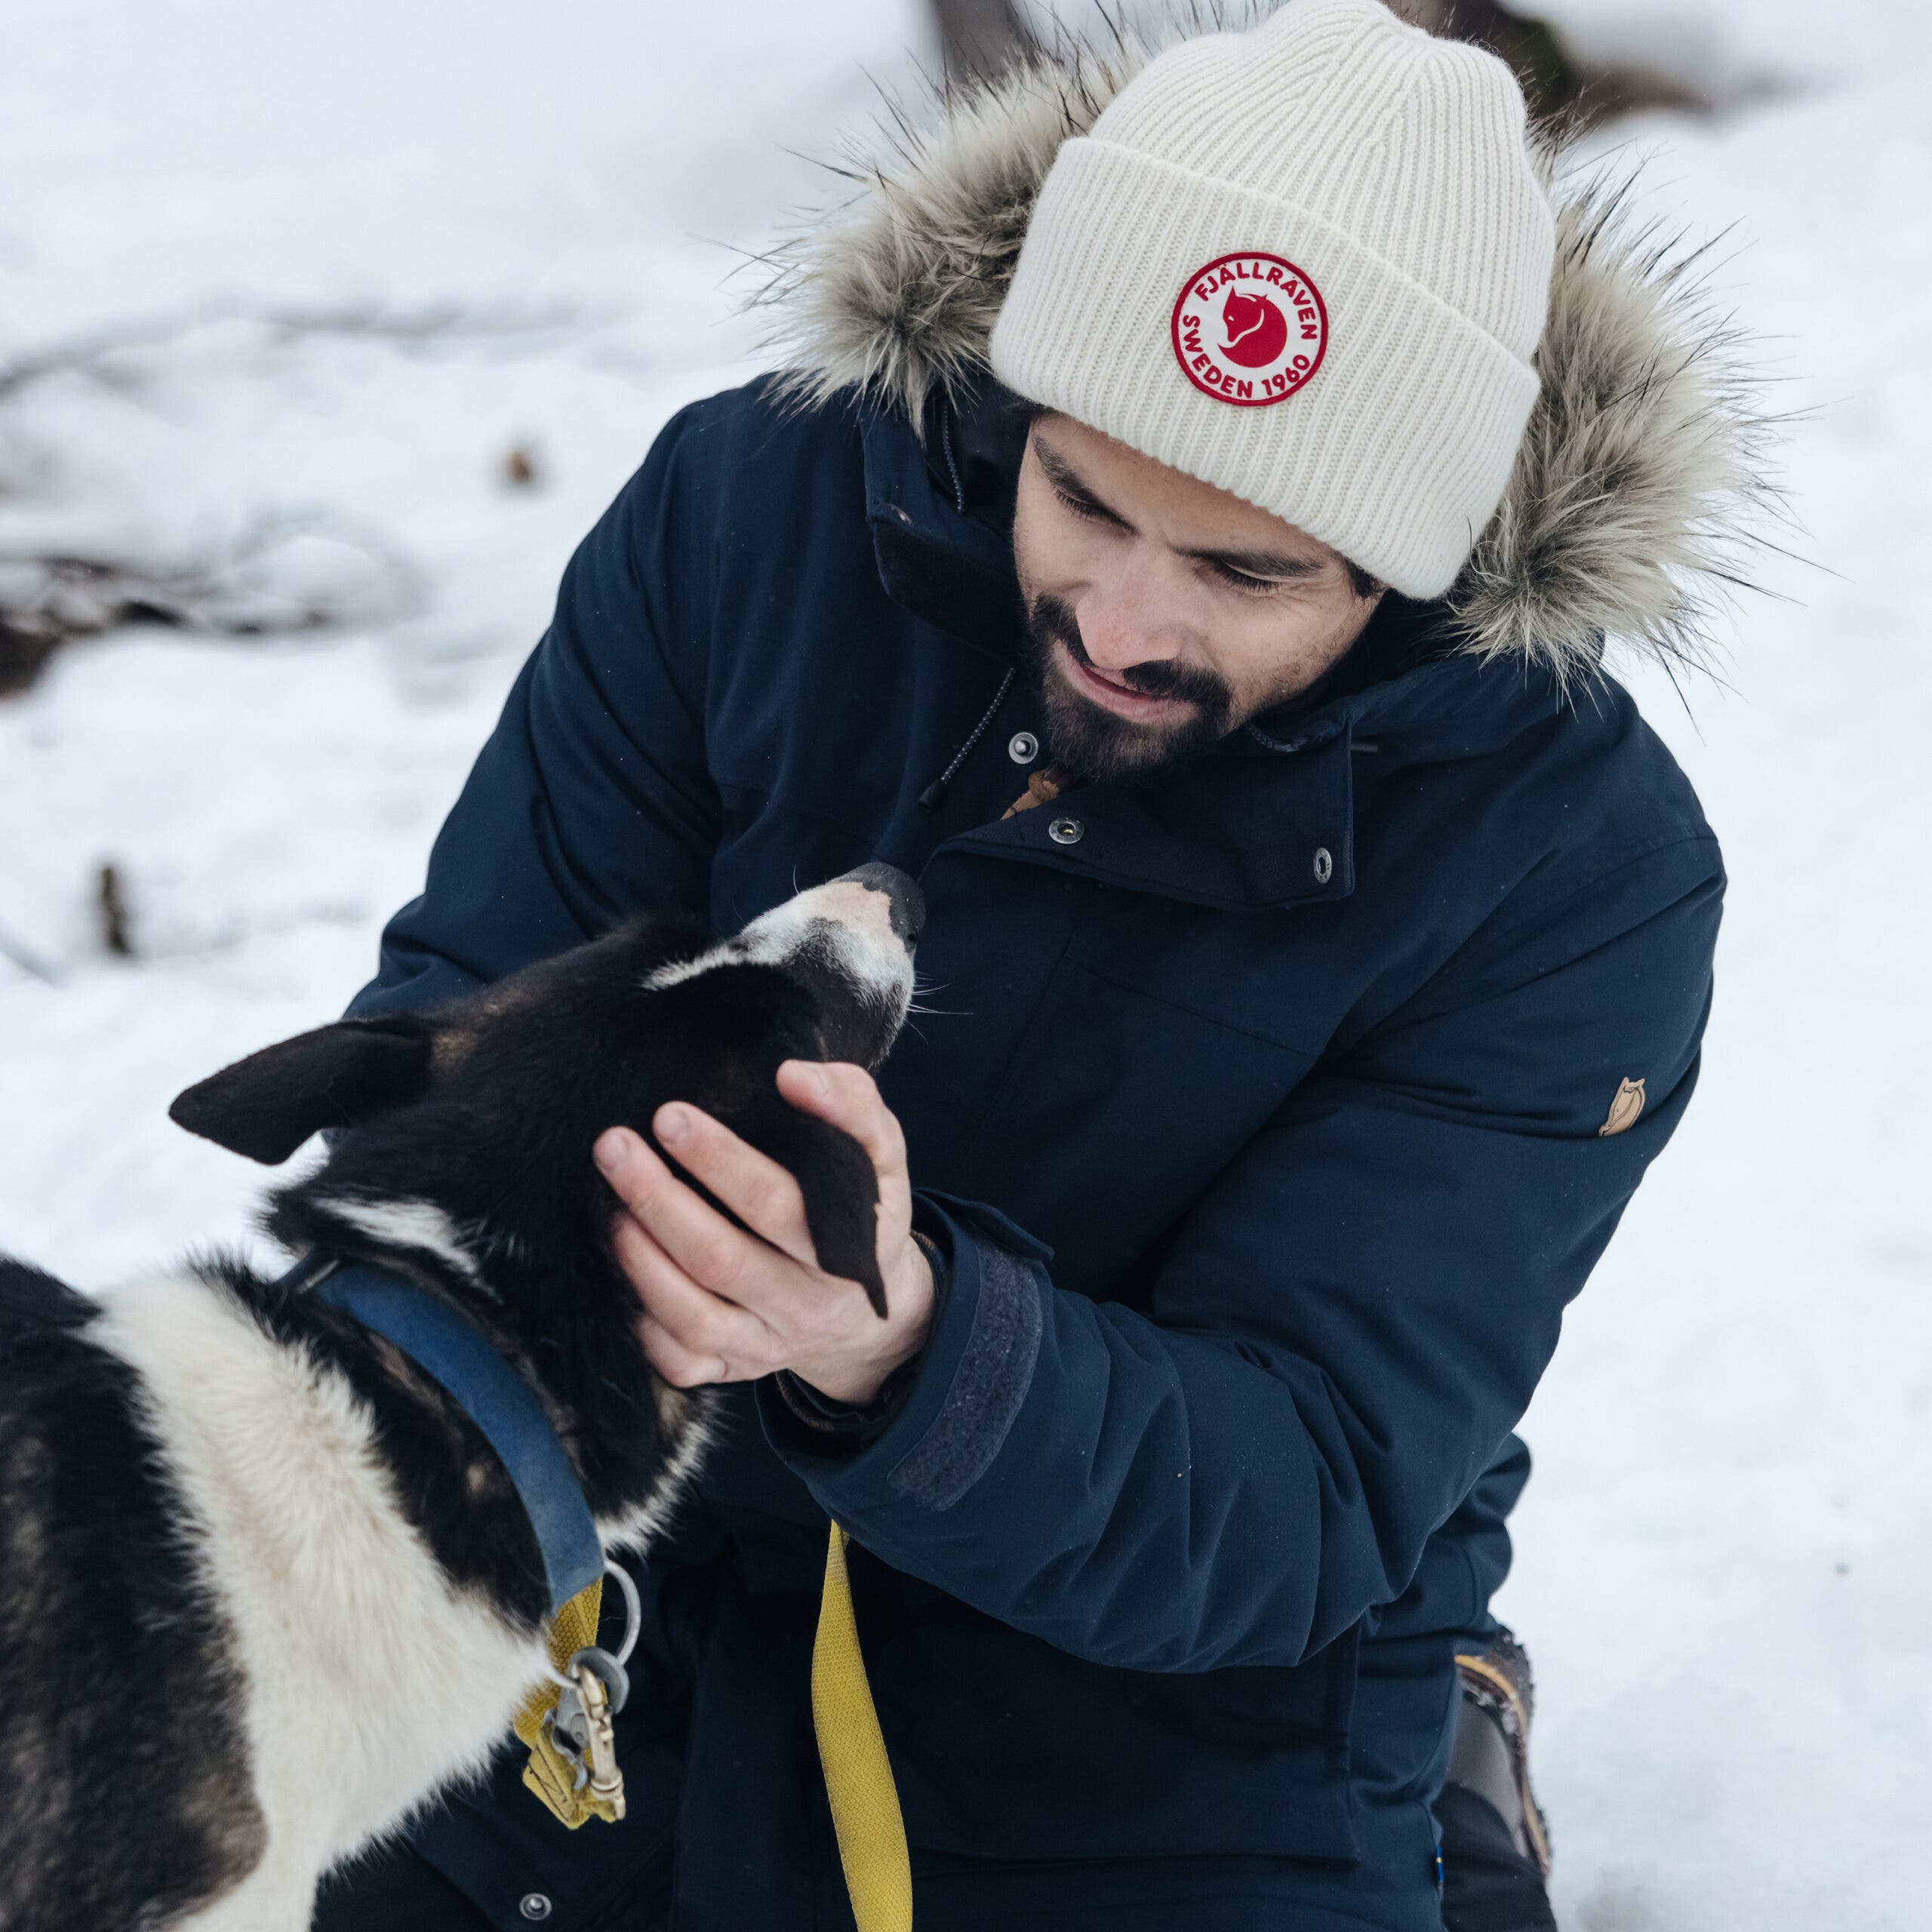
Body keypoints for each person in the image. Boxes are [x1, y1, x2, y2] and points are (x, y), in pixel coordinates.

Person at [312, 2, 1761, 1926]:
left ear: (1414, 563)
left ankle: (1450, 1771)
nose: (1123, 619)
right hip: (627, 1546)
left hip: (1170, 1664)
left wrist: (903, 1346)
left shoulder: (1574, 862)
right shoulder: (750, 516)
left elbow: (1303, 1481)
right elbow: (464, 1021)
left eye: (1248, 572)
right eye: (1080, 494)